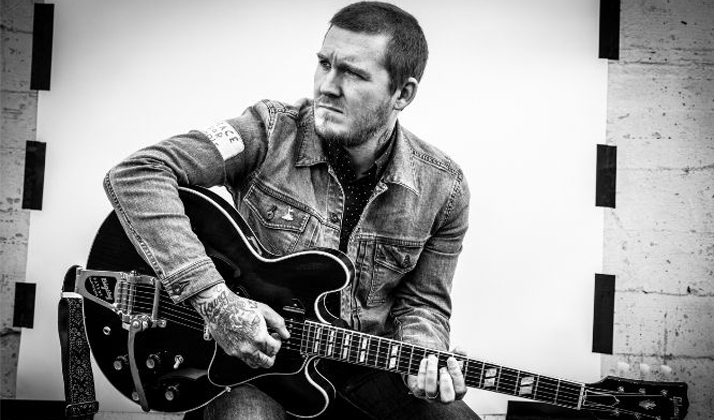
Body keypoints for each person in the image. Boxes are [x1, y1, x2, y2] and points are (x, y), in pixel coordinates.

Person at [104, 2, 477, 419]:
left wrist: (424, 355)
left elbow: (423, 303)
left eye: (353, 73)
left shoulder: (444, 188)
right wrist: (216, 302)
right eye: (325, 64)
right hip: (250, 366)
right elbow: (139, 172)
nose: (327, 87)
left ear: (402, 94)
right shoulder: (267, 131)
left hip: (362, 367)